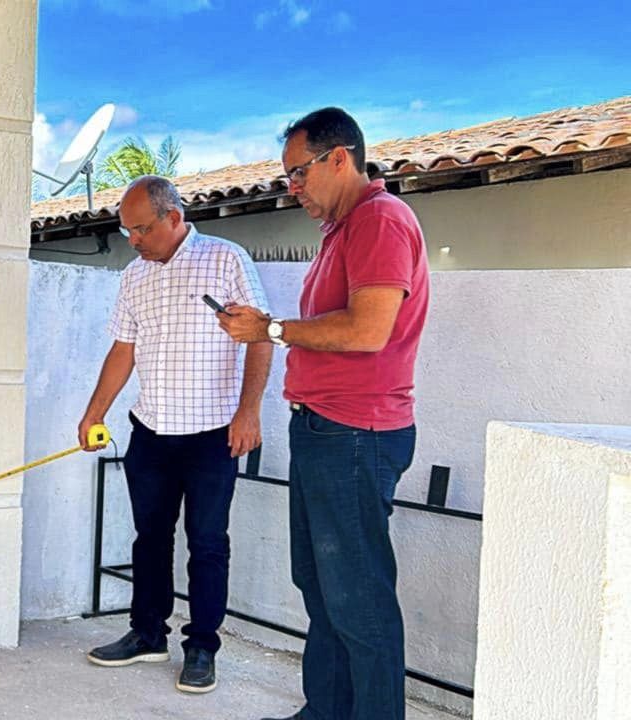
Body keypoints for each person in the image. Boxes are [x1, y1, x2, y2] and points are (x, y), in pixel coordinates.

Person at [218, 107, 430, 720]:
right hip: (324, 429)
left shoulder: (381, 220)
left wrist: (272, 328)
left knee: (358, 599)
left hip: (355, 434)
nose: (293, 189)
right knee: (322, 588)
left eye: (299, 173)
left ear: (341, 157)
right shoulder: (344, 230)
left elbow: (368, 331)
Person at [78, 175, 272, 695]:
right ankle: (147, 634)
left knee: (207, 544)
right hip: (152, 432)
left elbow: (259, 337)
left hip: (212, 434)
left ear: (173, 217)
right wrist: (94, 412)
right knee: (150, 539)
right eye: (127, 232)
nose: (134, 240)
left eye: (140, 229)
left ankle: (202, 647)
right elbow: (124, 350)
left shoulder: (226, 259)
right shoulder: (134, 276)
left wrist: (248, 412)